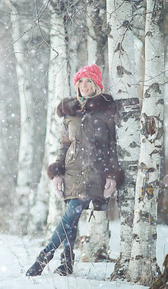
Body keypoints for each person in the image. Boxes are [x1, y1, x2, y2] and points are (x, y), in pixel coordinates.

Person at [26, 64, 124, 277]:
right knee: (71, 217)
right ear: (76, 85)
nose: (84, 85)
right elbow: (64, 145)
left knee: (71, 214)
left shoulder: (106, 111)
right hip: (72, 171)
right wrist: (57, 173)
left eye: (89, 81)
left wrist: (112, 176)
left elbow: (113, 147)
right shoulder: (71, 113)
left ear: (97, 84)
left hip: (94, 171)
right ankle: (66, 262)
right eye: (81, 81)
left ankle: (44, 257)